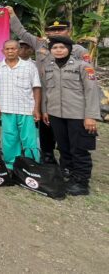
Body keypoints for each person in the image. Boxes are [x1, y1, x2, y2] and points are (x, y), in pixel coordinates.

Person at [6, 6, 90, 164]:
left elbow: (88, 80)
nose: (57, 33)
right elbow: (21, 32)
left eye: (61, 30)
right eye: (53, 30)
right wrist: (11, 15)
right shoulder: (40, 45)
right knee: (46, 128)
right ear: (47, 33)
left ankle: (70, 165)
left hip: (70, 97)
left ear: (68, 31)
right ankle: (48, 156)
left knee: (70, 135)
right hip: (44, 94)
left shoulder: (79, 50)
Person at [41, 36, 101, 196]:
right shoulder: (48, 67)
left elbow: (92, 91)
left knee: (79, 149)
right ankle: (67, 173)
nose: (58, 50)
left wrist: (91, 116)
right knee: (63, 147)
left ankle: (81, 182)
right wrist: (45, 110)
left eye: (62, 47)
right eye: (55, 48)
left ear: (69, 49)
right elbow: (46, 91)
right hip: (55, 114)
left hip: (78, 115)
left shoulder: (84, 67)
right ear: (50, 50)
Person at [0, 40, 41, 170]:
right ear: (3, 51)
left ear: (18, 50)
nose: (10, 51)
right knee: (9, 139)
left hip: (26, 109)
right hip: (7, 109)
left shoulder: (30, 67)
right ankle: (11, 165)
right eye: (7, 49)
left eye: (13, 49)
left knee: (29, 140)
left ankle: (31, 165)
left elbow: (36, 88)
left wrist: (36, 109)